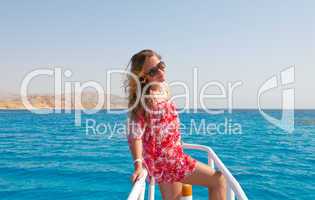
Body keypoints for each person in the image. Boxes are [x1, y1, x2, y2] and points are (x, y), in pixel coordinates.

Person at [124, 49, 226, 200]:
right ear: (143, 78)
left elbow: (163, 124)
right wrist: (138, 164)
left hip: (170, 156)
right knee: (218, 180)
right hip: (169, 161)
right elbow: (135, 135)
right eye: (152, 71)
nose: (160, 72)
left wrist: (175, 140)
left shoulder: (163, 89)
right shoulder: (144, 100)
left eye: (161, 66)